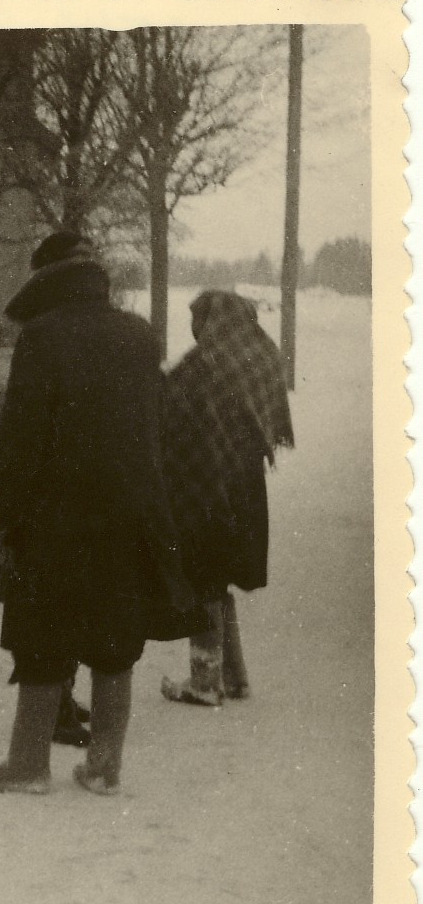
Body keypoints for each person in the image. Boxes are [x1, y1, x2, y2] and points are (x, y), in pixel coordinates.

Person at [0, 232, 199, 796]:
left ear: (45, 283)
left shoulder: (41, 337)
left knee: (44, 634)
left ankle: (27, 768)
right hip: (127, 510)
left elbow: (20, 437)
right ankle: (104, 768)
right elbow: (158, 426)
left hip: (56, 514)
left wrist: (0, 508)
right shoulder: (139, 334)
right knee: (113, 637)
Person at [160, 289, 294, 707]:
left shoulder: (206, 363)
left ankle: (205, 681)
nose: (196, 331)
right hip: (245, 487)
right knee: (218, 578)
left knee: (203, 576)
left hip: (208, 482)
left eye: (198, 322)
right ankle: (234, 678)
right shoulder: (262, 354)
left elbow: (171, 402)